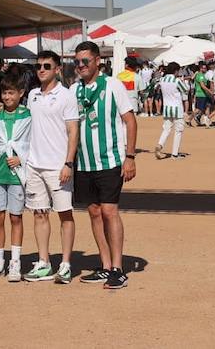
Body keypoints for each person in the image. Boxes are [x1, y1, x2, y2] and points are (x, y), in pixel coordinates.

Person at [71, 42, 136, 289]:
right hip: (84, 163)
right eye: (77, 62)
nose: (80, 66)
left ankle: (118, 269)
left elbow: (130, 120)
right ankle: (105, 265)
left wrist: (130, 157)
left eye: (85, 61)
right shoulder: (74, 89)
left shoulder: (112, 85)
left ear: (97, 61)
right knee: (94, 212)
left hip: (110, 159)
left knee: (109, 211)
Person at [22, 50, 79, 284]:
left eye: (46, 66)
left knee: (65, 215)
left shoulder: (66, 96)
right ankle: (44, 262)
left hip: (58, 166)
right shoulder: (32, 94)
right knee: (39, 213)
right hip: (34, 164)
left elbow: (73, 130)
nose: (41, 70)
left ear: (57, 69)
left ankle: (65, 264)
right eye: (38, 66)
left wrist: (68, 162)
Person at [0, 66, 31, 281]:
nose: (7, 97)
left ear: (21, 93)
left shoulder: (28, 115)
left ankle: (15, 261)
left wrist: (22, 158)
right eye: (4, 93)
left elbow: (34, 142)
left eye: (11, 93)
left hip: (17, 173)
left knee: (16, 217)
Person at [154, 62, 185, 159]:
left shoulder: (162, 79)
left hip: (166, 108)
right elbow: (186, 89)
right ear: (176, 71)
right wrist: (182, 81)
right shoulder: (177, 80)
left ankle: (160, 145)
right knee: (178, 130)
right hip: (177, 108)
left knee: (166, 129)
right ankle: (174, 154)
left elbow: (156, 87)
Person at [191, 62, 211, 127]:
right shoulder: (200, 75)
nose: (205, 69)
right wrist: (209, 91)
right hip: (201, 94)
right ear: (200, 68)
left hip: (203, 94)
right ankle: (189, 119)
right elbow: (202, 85)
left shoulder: (202, 75)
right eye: (204, 68)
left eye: (206, 68)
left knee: (207, 107)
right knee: (198, 109)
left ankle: (206, 120)